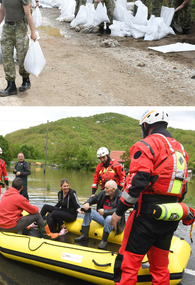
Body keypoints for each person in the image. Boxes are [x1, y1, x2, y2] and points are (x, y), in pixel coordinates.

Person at [111, 110, 190, 284]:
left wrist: (119, 211)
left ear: (146, 125)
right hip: (170, 214)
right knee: (160, 268)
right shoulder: (181, 150)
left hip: (145, 215)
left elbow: (138, 182)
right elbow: (182, 187)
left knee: (127, 266)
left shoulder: (146, 144)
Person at [0, 0, 38, 97]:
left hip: (20, 27)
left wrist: (32, 31)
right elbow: (2, 12)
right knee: (6, 55)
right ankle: (11, 85)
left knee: (21, 55)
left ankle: (25, 80)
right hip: (7, 27)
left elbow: (28, 14)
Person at [75, 180, 125, 249]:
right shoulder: (104, 193)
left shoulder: (121, 196)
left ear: (113, 189)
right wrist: (87, 203)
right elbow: (94, 198)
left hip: (115, 223)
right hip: (103, 218)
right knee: (88, 210)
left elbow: (119, 210)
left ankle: (104, 241)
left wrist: (105, 211)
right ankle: (84, 235)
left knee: (108, 218)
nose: (104, 189)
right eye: (105, 188)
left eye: (106, 188)